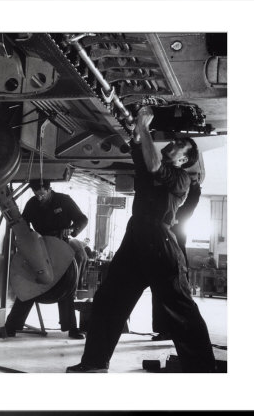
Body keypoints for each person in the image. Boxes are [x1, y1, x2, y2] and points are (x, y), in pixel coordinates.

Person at [66, 106, 215, 372]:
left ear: (184, 160)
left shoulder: (182, 179)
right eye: (175, 140)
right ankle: (95, 362)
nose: (174, 144)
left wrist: (144, 128)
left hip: (160, 243)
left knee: (181, 310)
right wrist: (137, 134)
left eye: (181, 145)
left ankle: (203, 371)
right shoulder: (150, 167)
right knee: (109, 300)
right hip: (135, 237)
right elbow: (142, 158)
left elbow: (155, 166)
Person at [0, 179, 88, 340]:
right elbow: (24, 224)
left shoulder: (64, 200)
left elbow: (82, 219)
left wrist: (72, 230)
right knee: (28, 286)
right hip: (40, 247)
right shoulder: (32, 204)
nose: (40, 197)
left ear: (49, 189)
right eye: (36, 194)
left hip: (60, 247)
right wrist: (25, 238)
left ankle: (72, 329)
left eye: (42, 193)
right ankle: (11, 327)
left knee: (67, 287)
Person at [151, 179, 201, 341]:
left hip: (175, 266)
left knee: (175, 299)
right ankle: (165, 330)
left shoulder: (177, 216)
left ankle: (176, 330)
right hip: (164, 264)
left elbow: (191, 204)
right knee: (162, 298)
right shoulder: (157, 217)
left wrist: (195, 188)